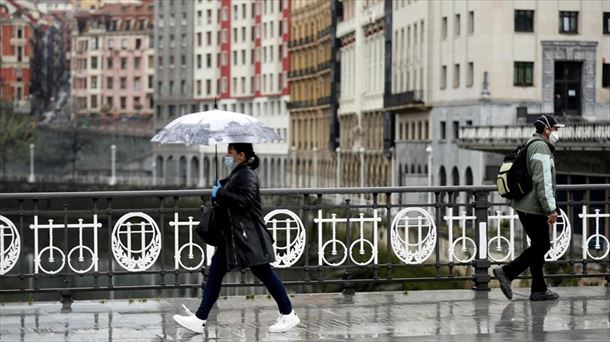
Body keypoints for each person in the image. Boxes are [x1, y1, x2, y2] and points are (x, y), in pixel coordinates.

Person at [173, 143, 300, 333]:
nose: (227, 155)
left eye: (230, 152)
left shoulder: (247, 174)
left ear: (241, 155)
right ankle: (200, 319)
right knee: (215, 274)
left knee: (264, 273)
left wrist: (221, 192)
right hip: (234, 237)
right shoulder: (237, 174)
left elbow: (246, 201)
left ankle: (289, 314)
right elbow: (232, 198)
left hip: (248, 236)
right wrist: (220, 189)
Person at [493, 114, 564, 301]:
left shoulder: (532, 142)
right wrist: (551, 209)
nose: (557, 132)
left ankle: (538, 289)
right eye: (556, 128)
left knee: (538, 246)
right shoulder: (541, 147)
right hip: (533, 207)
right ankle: (506, 272)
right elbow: (543, 181)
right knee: (542, 245)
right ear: (547, 129)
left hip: (525, 205)